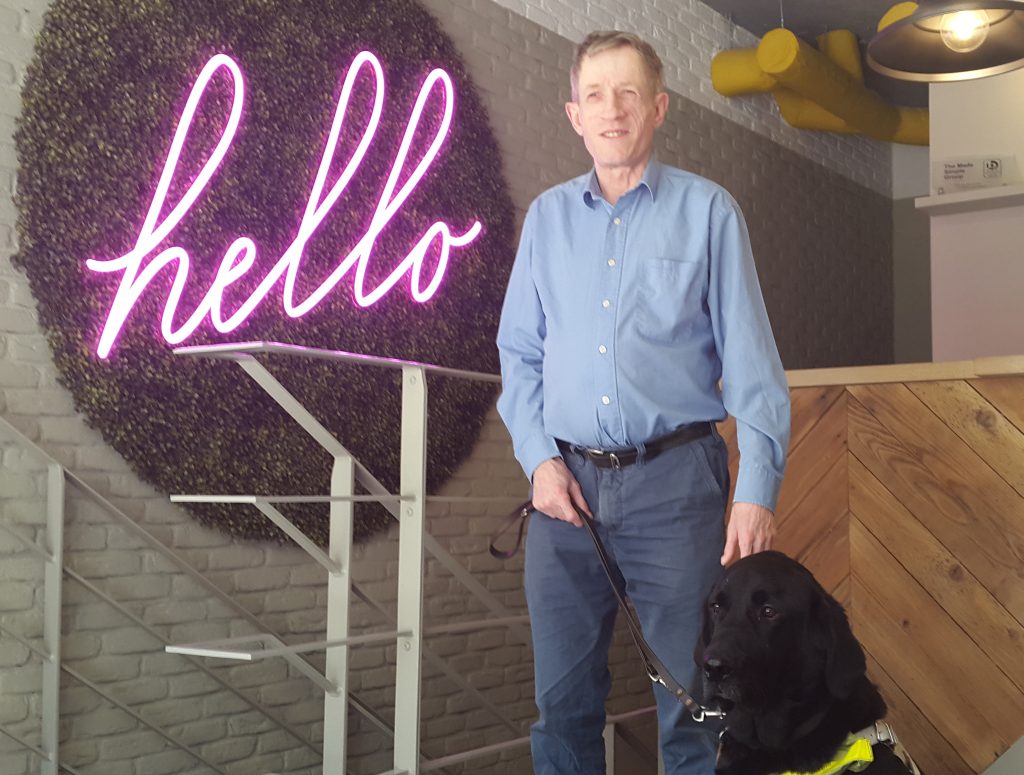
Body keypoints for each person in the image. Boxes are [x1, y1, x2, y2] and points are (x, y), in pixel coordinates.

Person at [495, 30, 791, 774]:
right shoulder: (546, 221)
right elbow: (518, 354)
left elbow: (754, 365)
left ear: (658, 108)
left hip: (677, 487)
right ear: (574, 114)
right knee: (561, 709)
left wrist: (756, 489)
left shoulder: (709, 212)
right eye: (595, 94)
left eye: (629, 93)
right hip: (564, 495)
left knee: (696, 704)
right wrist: (537, 461)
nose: (612, 109)